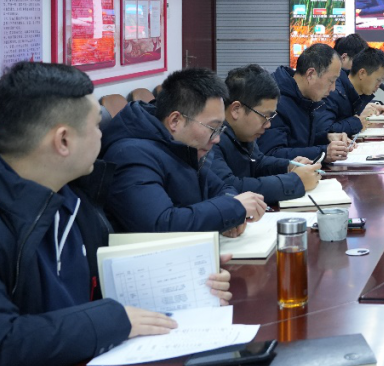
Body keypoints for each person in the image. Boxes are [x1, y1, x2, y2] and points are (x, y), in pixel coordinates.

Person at [0, 62, 231, 366]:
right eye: (95, 126)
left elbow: (103, 277)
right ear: (63, 140)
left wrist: (187, 274)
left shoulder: (69, 192)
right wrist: (111, 320)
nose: (103, 135)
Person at [102, 68, 268, 235]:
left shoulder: (182, 146)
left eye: (220, 129)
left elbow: (222, 188)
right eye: (213, 128)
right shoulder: (131, 155)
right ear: (175, 121)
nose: (217, 139)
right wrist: (231, 209)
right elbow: (161, 225)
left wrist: (228, 215)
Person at [206, 64, 321, 206]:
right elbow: (230, 187)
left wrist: (289, 166)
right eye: (264, 116)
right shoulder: (210, 139)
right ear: (236, 110)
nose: (268, 125)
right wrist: (295, 181)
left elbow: (258, 163)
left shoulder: (243, 132)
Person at [262, 44, 352, 163]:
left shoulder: (303, 98)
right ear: (310, 74)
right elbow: (272, 154)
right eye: (331, 81)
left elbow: (297, 142)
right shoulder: (275, 101)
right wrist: (323, 153)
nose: (333, 88)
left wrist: (326, 138)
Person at [314, 47, 384, 142]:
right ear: (362, 73)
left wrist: (372, 106)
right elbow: (323, 131)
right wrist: (357, 123)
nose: (378, 85)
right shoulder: (333, 92)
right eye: (378, 80)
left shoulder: (354, 90)